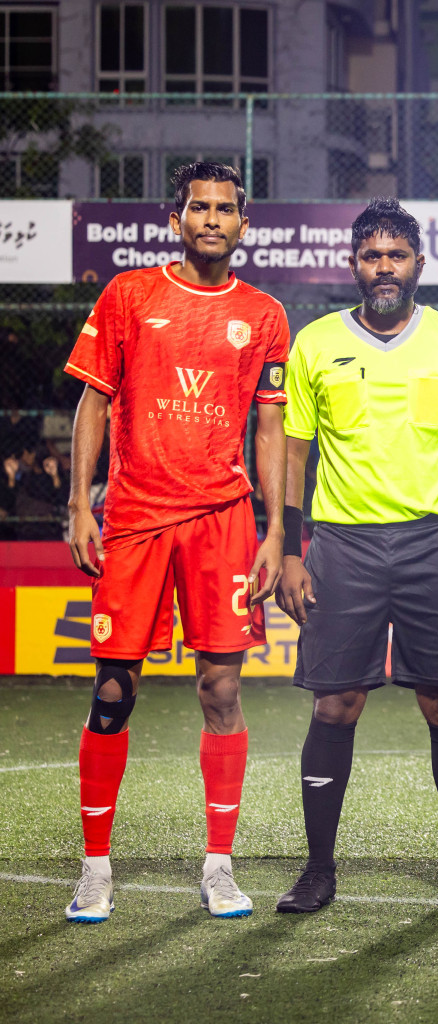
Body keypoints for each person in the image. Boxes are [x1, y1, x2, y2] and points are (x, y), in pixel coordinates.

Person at [61, 162, 289, 922]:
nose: (213, 219)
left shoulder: (263, 314)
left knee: (221, 689)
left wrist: (275, 529)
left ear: (243, 225)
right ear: (177, 220)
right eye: (200, 208)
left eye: (226, 209)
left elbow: (270, 426)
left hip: (223, 519)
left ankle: (218, 866)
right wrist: (78, 504)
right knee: (112, 692)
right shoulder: (130, 295)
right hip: (132, 516)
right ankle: (96, 869)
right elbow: (95, 402)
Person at [273, 198, 438, 914]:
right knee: (335, 703)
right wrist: (289, 550)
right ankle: (318, 869)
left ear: (418, 265)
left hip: (436, 541)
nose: (384, 268)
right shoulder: (313, 344)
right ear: (354, 265)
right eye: (372, 255)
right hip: (342, 544)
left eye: (396, 256)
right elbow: (293, 451)